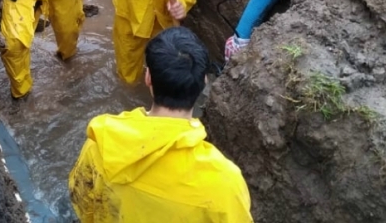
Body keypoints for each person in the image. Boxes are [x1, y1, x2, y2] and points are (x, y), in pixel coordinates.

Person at [69, 26, 253, 222]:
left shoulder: (101, 142)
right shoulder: (224, 183)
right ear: (204, 82)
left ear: (148, 78)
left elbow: (81, 201)